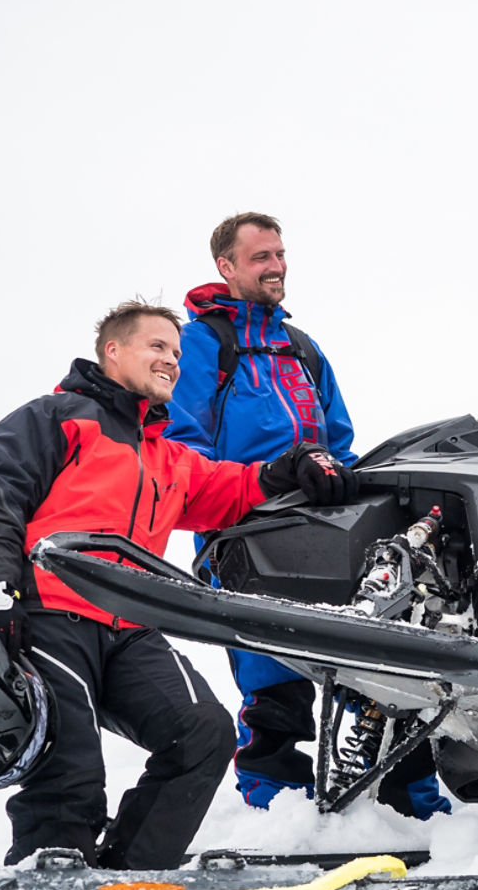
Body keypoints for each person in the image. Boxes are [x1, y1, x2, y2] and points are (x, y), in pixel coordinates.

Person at [0, 301, 356, 868]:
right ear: (113, 351)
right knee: (69, 772)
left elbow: (230, 487)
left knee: (203, 732)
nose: (171, 360)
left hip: (130, 623)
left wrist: (292, 465)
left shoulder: (168, 455)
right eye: (157, 347)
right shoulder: (55, 418)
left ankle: (130, 876)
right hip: (49, 612)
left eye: (175, 351)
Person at [167, 212, 449, 815]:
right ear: (226, 266)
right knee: (274, 680)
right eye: (260, 257)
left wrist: (344, 484)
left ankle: (412, 803)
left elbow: (340, 438)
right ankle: (282, 817)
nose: (276, 266)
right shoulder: (201, 344)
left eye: (279, 254)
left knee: (377, 664)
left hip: (324, 531)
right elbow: (180, 449)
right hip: (244, 533)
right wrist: (262, 482)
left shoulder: (301, 348)